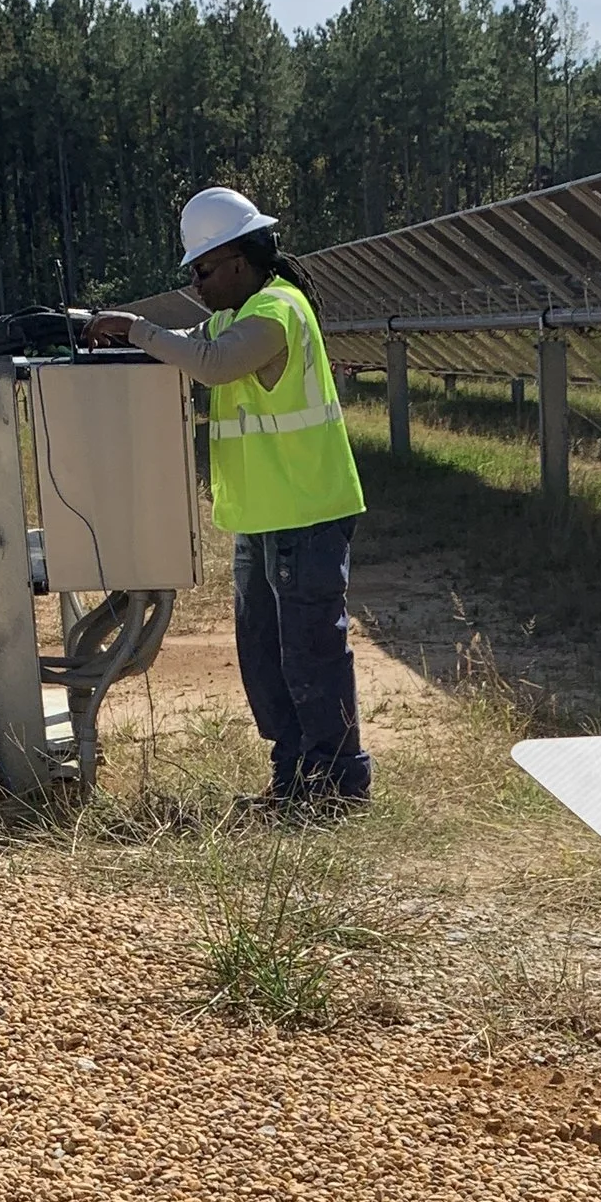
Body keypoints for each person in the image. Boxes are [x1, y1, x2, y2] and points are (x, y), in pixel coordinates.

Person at [90, 188, 371, 809]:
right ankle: (294, 778)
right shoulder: (230, 316)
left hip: (306, 513)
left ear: (238, 261)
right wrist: (116, 333)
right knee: (268, 660)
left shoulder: (278, 311)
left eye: (202, 270)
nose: (196, 284)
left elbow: (213, 364)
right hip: (264, 517)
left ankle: (339, 785)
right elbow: (191, 342)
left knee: (309, 656)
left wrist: (137, 327)